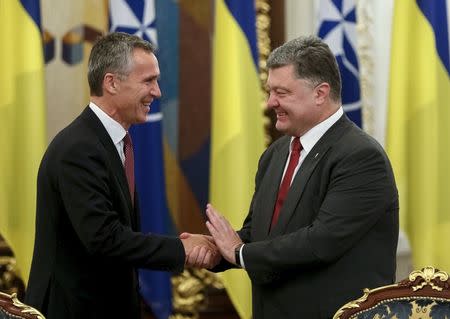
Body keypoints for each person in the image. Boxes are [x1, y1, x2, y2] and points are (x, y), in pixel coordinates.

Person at [203, 36, 399, 318]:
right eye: (270, 91)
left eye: (281, 93)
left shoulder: (361, 157)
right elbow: (257, 236)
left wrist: (239, 253)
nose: (270, 102)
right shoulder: (276, 153)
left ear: (320, 93)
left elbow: (321, 242)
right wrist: (214, 249)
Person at [25, 32, 219, 319]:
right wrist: (182, 249)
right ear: (112, 83)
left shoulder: (110, 142)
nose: (157, 92)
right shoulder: (78, 149)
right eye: (148, 81)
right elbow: (104, 238)